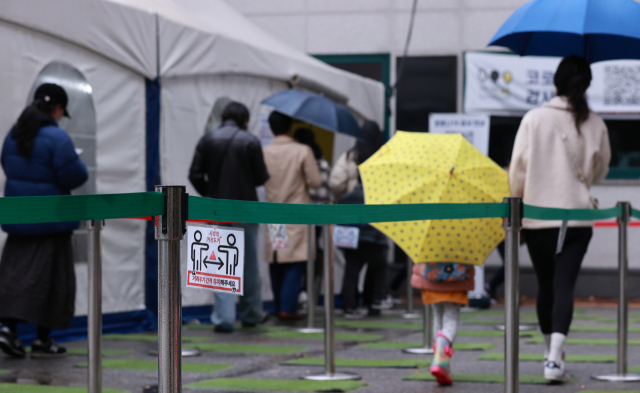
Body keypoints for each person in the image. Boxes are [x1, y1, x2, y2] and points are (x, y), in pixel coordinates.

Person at [509, 55, 611, 381]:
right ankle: (555, 357)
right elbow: (600, 170)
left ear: (555, 84)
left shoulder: (533, 118)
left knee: (545, 286)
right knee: (565, 285)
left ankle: (549, 354)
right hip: (578, 217)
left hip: (539, 217)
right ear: (587, 86)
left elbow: (517, 172)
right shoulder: (595, 123)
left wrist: (518, 210)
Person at [0, 83, 88, 358]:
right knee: (53, 282)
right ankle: (42, 340)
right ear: (57, 109)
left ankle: (7, 330)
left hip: (20, 221)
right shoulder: (57, 138)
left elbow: (7, 164)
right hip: (51, 223)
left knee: (15, 278)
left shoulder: (14, 133)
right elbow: (76, 176)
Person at [189, 101, 270, 333]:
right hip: (246, 211)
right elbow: (259, 178)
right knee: (249, 267)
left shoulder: (207, 140)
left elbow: (194, 174)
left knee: (218, 264)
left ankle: (224, 318)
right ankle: (251, 314)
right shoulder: (251, 141)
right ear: (245, 120)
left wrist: (210, 194)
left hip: (216, 210)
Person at [262, 112, 322, 320]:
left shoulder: (265, 151)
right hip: (296, 214)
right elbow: (315, 181)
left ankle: (279, 306)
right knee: (295, 261)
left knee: (278, 259)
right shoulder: (302, 151)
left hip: (273, 214)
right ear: (289, 127)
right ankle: (287, 309)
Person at [411, 260, 475, 386]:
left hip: (431, 276)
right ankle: (441, 358)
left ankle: (442, 361)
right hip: (456, 278)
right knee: (451, 318)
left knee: (438, 317)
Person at [338, 176, 388, 318]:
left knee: (351, 272)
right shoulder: (378, 198)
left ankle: (349, 306)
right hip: (373, 240)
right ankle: (375, 301)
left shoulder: (346, 198)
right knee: (379, 268)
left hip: (351, 240)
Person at [329, 120, 383, 201]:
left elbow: (335, 184)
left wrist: (345, 196)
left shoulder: (350, 156)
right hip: (377, 204)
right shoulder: (383, 157)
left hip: (354, 205)